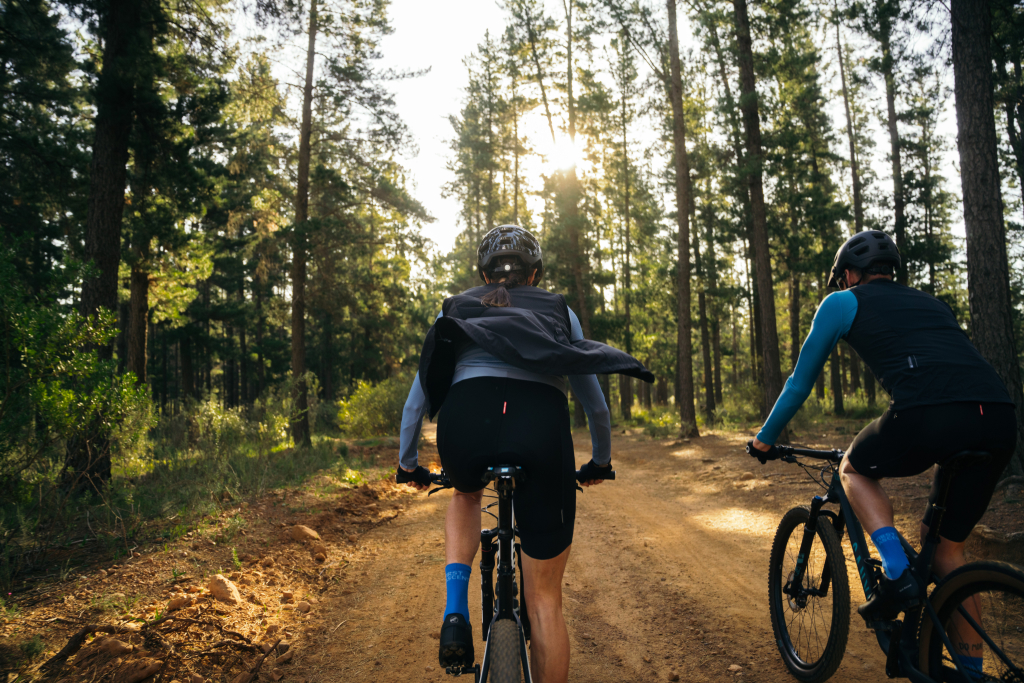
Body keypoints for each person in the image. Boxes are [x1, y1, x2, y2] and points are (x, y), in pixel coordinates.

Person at [395, 225, 652, 683]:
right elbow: (594, 403)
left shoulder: (453, 307)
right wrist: (600, 461)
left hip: (466, 423)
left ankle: (455, 611)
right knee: (545, 600)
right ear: (535, 275)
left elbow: (417, 400)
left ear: (483, 273)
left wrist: (408, 463)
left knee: (466, 492)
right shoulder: (558, 309)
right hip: (540, 425)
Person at [748, 230, 1016, 637]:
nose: (841, 286)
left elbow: (799, 384)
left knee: (853, 470)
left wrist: (764, 438)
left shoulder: (842, 302)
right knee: (945, 550)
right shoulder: (931, 302)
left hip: (929, 413)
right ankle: (973, 671)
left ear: (851, 274)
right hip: (998, 417)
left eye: (841, 279)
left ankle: (897, 573)